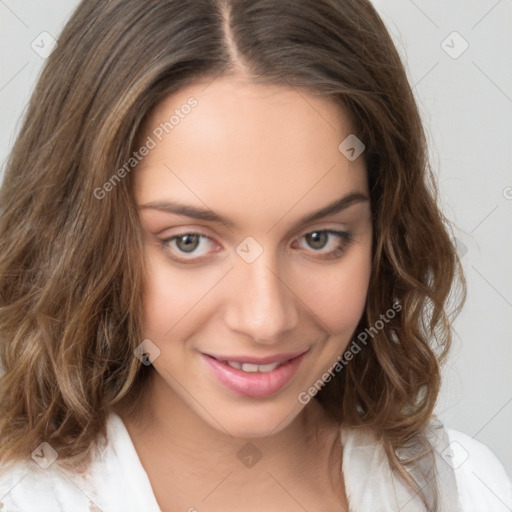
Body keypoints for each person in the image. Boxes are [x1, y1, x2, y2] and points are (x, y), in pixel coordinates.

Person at [0, 0, 510, 511]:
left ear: (384, 235)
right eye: (189, 242)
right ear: (84, 240)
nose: (265, 320)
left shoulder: (465, 490)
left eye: (319, 238)